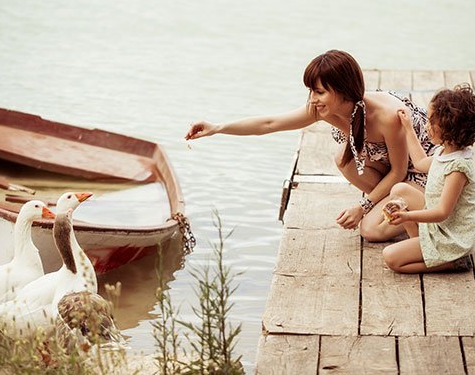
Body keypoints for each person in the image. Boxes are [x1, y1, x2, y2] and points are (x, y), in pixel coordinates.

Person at [185, 49, 435, 240]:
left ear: (343, 90)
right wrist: (217, 128)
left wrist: (362, 206)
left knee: (370, 230)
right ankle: (394, 206)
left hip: (422, 172)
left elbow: (400, 171)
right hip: (394, 170)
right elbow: (270, 123)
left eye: (319, 92)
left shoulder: (386, 117)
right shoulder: (324, 109)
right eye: (311, 91)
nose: (313, 99)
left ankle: (427, 212)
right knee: (344, 160)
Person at [382, 84, 475, 273]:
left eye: (431, 122)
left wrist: (406, 216)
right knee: (399, 191)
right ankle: (419, 245)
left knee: (391, 258)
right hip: (439, 226)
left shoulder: (458, 167)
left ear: (449, 129)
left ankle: (454, 261)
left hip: (450, 237)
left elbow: (441, 212)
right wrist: (408, 128)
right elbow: (420, 162)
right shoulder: (445, 151)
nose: (426, 125)